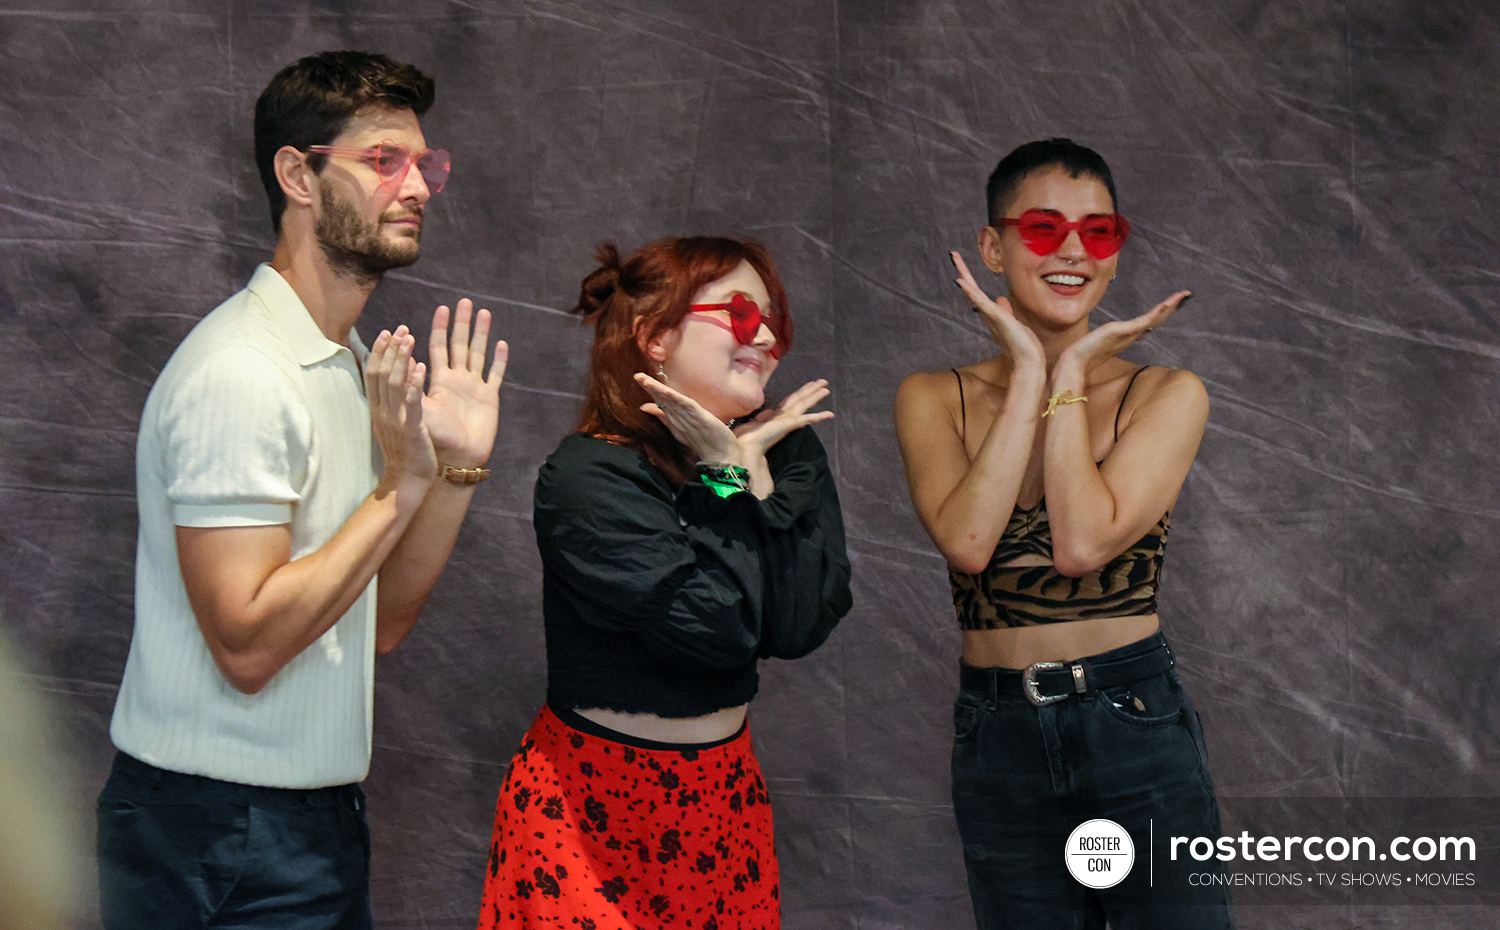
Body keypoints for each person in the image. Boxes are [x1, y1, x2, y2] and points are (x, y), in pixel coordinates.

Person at [97, 51, 507, 929]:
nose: (420, 187)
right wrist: (397, 491)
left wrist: (452, 471)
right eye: (383, 160)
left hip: (303, 825)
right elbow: (246, 646)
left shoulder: (347, 364)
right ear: (299, 174)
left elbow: (379, 620)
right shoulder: (244, 372)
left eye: (425, 164)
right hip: (215, 836)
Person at [894, 139, 1232, 928]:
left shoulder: (1168, 393)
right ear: (993, 245)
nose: (1074, 250)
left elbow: (1081, 546)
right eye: (1044, 229)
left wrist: (1071, 373)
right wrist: (1029, 370)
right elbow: (971, 545)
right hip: (997, 730)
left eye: (1099, 232)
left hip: (1133, 721)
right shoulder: (931, 396)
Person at [477, 237, 852, 930]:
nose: (766, 338)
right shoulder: (588, 478)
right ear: (653, 337)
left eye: (775, 320)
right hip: (592, 812)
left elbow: (800, 627)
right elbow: (718, 632)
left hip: (725, 802)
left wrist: (751, 472)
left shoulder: (787, 445)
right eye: (741, 314)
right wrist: (723, 478)